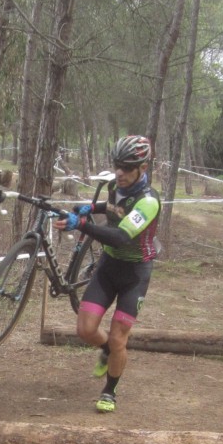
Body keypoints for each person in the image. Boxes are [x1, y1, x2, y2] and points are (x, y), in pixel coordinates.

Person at [57, 135, 160, 414]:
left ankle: (109, 391)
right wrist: (90, 208)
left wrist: (81, 224)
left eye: (127, 167)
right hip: (108, 267)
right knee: (85, 330)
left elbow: (121, 237)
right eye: (117, 165)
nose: (120, 172)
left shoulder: (149, 201)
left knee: (118, 339)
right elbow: (112, 207)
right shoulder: (116, 186)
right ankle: (106, 350)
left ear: (143, 167)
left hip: (135, 274)